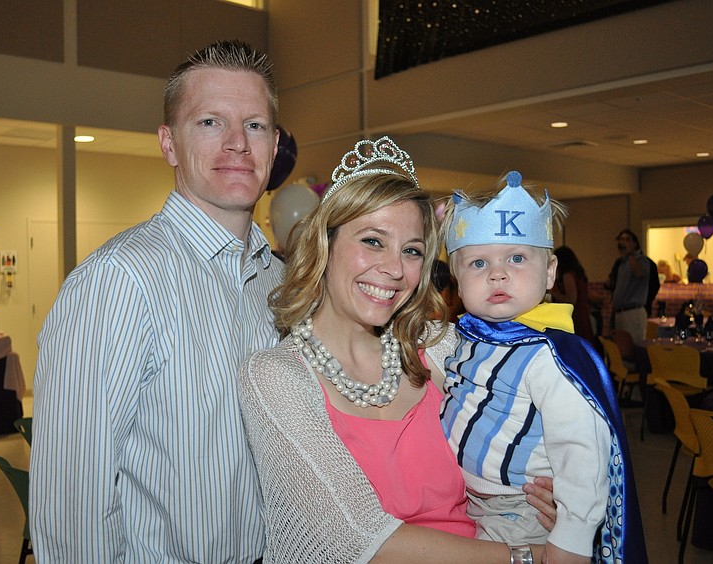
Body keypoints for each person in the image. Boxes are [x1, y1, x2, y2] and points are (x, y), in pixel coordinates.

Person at [238, 138, 557, 563]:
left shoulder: (441, 345)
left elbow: (527, 429)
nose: (394, 268)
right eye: (372, 240)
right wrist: (532, 557)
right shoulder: (274, 376)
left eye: (411, 250)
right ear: (325, 244)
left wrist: (550, 494)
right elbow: (359, 540)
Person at [29, 40, 283, 562]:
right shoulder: (118, 282)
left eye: (254, 125)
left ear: (275, 146)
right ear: (168, 144)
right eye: (210, 122)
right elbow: (73, 502)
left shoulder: (278, 282)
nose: (238, 143)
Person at [441, 172, 646, 562]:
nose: (497, 273)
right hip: (467, 499)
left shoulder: (548, 356)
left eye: (517, 258)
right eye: (478, 262)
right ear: (457, 279)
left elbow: (582, 451)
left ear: (550, 272)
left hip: (520, 511)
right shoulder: (471, 337)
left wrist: (571, 538)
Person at [551, 246, 601, 352]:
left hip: (575, 316)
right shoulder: (578, 274)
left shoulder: (568, 275)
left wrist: (553, 294)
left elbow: (571, 299)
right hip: (583, 314)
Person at [605, 228, 651, 341]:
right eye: (621, 239)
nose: (623, 242)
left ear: (634, 243)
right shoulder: (621, 264)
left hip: (633, 312)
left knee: (634, 346)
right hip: (619, 312)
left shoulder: (641, 260)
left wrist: (631, 254)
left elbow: (639, 273)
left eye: (627, 239)